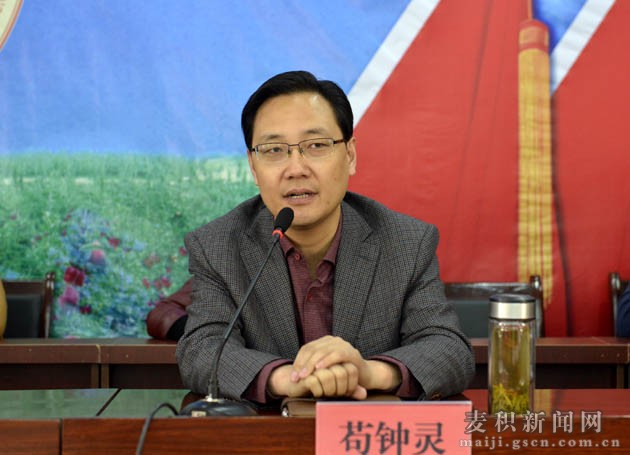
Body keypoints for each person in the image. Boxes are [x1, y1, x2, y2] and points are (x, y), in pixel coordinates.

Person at [176, 70, 475, 404]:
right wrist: (288, 378)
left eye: (316, 146)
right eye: (274, 150)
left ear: (350, 156)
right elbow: (202, 349)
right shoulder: (218, 246)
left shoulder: (406, 242)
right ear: (253, 167)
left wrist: (368, 372)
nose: (296, 168)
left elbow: (448, 349)